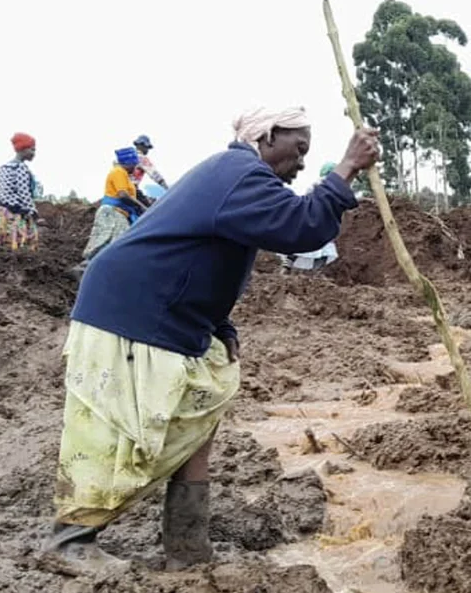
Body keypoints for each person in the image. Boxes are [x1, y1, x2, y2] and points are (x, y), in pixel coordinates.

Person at [40, 106, 379, 574]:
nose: (302, 162)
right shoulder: (241, 174)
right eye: (299, 149)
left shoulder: (236, 177)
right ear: (268, 136)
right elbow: (302, 230)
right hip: (131, 314)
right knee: (118, 430)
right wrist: (347, 169)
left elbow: (199, 255)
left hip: (161, 313)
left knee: (200, 410)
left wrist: (219, 324)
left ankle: (187, 547)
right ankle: (70, 543)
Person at [78, 147, 148, 267]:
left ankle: (98, 269)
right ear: (128, 162)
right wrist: (141, 207)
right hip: (111, 213)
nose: (135, 167)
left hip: (120, 213)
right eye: (134, 164)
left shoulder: (125, 175)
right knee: (106, 241)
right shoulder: (118, 172)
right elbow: (122, 194)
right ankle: (86, 268)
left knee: (118, 244)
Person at [278, 162, 341, 274]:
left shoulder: (318, 185)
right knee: (321, 249)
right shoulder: (325, 185)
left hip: (314, 220)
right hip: (317, 221)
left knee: (311, 247)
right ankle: (314, 273)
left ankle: (291, 267)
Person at [0, 133, 40, 251]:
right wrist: (32, 211)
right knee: (18, 246)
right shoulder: (20, 168)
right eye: (32, 149)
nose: (34, 153)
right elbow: (24, 193)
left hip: (0, 212)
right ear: (22, 149)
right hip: (15, 213)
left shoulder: (3, 167)